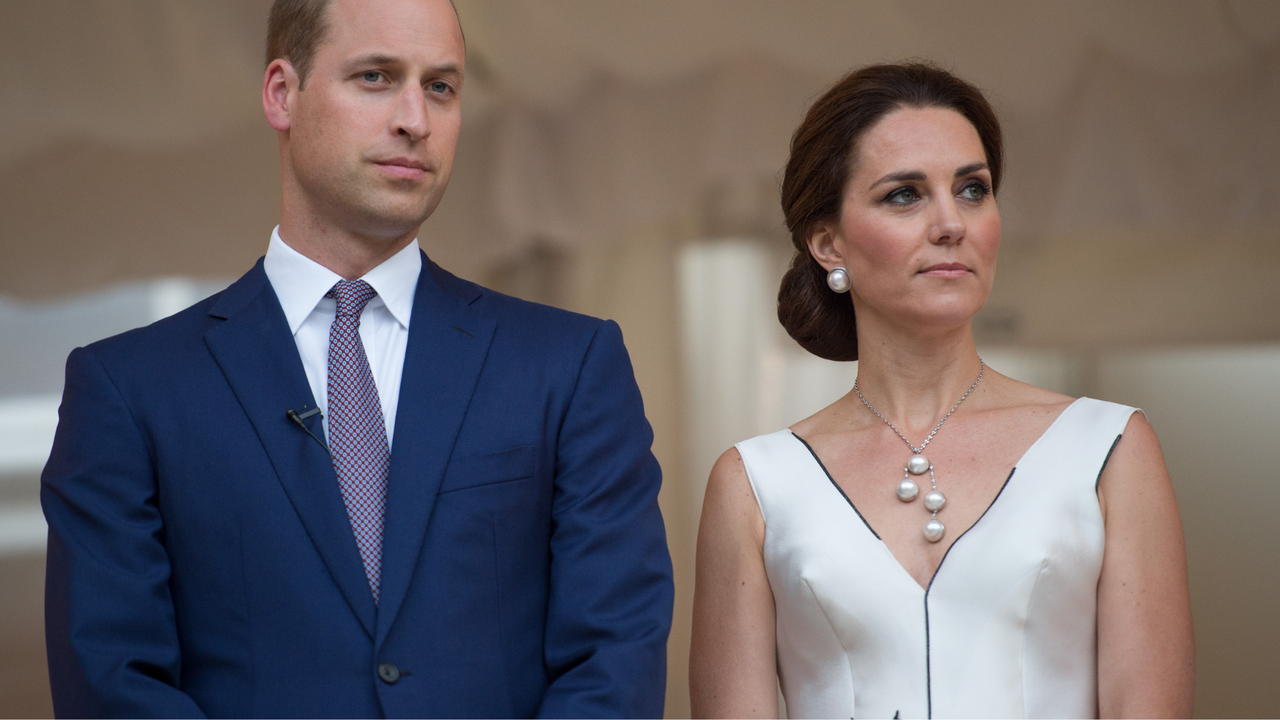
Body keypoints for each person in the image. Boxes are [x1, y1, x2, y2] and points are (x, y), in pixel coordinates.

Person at [41, 0, 673, 716]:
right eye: (376, 77)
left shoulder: (570, 366)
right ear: (282, 93)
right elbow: (113, 683)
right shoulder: (128, 389)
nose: (416, 118)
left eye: (441, 86)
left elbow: (615, 656)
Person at [689, 63, 1193, 719]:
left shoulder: (1110, 448)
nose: (951, 223)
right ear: (827, 243)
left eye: (973, 189)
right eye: (905, 195)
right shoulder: (754, 484)